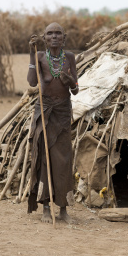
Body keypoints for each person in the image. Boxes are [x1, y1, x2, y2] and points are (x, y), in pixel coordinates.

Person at [26, 22, 79, 224]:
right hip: (45, 112)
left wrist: (69, 82)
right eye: (50, 33)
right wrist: (32, 55)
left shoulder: (70, 58)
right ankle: (46, 207)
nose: (54, 36)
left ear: (64, 38)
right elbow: (32, 82)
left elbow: (76, 90)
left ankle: (63, 208)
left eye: (58, 33)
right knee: (45, 159)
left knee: (63, 160)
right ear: (44, 38)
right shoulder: (40, 56)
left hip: (63, 113)